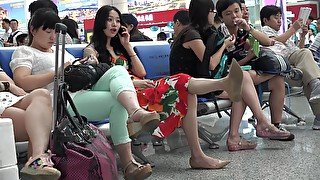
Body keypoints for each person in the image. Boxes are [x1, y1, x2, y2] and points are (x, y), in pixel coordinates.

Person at [83, 5, 248, 168]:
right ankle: (223, 84)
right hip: (127, 98)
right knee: (182, 81)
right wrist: (133, 82)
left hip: (143, 90)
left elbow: (141, 71)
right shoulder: (92, 51)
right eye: (109, 20)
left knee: (186, 90)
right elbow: (100, 82)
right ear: (100, 23)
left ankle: (198, 156)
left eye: (118, 21)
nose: (114, 24)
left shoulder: (120, 48)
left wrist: (127, 46)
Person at [10, 8, 159, 180]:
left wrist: (82, 64)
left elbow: (71, 69)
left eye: (55, 33)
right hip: (61, 100)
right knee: (117, 102)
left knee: (118, 70)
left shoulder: (59, 51)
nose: (52, 37)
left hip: (80, 91)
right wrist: (57, 72)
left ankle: (135, 111)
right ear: (33, 30)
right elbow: (22, 81)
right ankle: (128, 163)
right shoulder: (25, 52)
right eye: (48, 31)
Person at [171, 0, 294, 151]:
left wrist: (247, 31)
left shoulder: (202, 32)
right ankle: (253, 128)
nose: (234, 16)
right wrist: (225, 45)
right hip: (191, 85)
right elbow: (210, 64)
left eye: (237, 11)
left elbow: (267, 42)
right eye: (214, 13)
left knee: (244, 83)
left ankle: (249, 131)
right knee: (241, 83)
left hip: (201, 81)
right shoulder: (193, 35)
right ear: (207, 12)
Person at [260, 5, 320, 130]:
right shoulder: (263, 31)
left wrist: (302, 36)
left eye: (280, 17)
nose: (279, 20)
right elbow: (275, 42)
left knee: (309, 81)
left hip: (292, 64)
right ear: (265, 20)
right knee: (307, 61)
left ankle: (319, 117)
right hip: (281, 68)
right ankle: (316, 84)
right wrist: (293, 29)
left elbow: (298, 50)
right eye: (276, 17)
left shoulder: (280, 34)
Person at [0, 68, 60, 179]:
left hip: (6, 98)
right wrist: (7, 86)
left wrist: (8, 85)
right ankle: (35, 166)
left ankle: (37, 157)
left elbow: (11, 84)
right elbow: (9, 85)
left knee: (42, 94)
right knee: (38, 121)